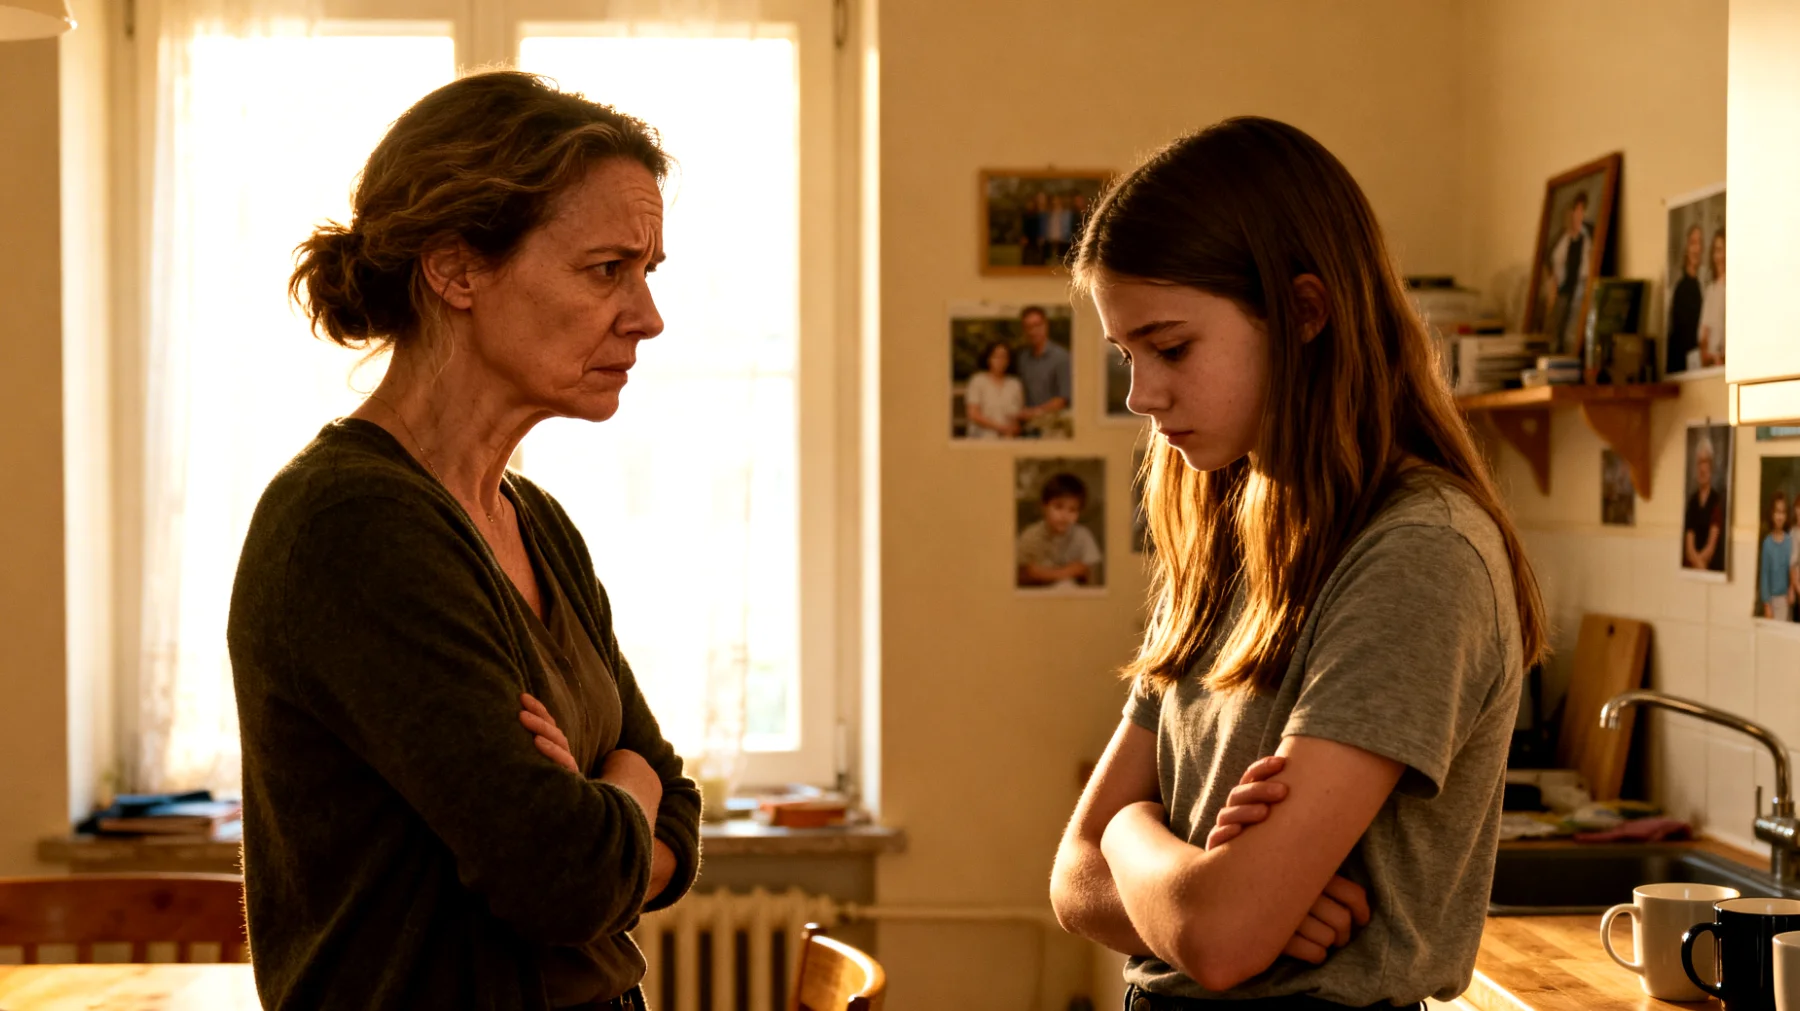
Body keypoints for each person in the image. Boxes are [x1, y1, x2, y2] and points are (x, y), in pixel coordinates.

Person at [229, 72, 702, 1011]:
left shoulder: (537, 522)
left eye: (648, 272)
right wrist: (628, 788)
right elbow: (562, 877)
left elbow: (677, 807)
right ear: (455, 271)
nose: (647, 316)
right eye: (607, 269)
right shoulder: (351, 524)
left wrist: (616, 795)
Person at [1048, 117, 1544, 1009]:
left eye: (1171, 346)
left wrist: (1129, 831)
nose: (1140, 394)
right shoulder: (1226, 531)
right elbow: (1072, 880)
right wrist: (1178, 874)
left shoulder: (1419, 551)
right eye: (1127, 354)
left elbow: (1220, 937)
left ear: (1306, 312)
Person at [1017, 472, 1103, 587]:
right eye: (1058, 506)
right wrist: (1069, 571)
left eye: (1072, 510)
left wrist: (1043, 573)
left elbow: (1088, 572)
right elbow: (1023, 573)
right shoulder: (1030, 536)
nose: (1065, 515)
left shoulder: (1083, 536)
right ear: (1044, 506)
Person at [1542, 191, 1593, 355]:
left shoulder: (1588, 237)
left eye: (1581, 211)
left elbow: (1588, 266)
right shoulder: (1562, 238)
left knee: (1572, 328)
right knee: (1557, 326)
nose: (1578, 215)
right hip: (1562, 289)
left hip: (1579, 290)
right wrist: (1553, 284)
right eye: (1576, 210)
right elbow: (1551, 261)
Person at [1015, 305, 1072, 435]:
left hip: (1053, 428)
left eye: (1037, 325)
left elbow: (1063, 399)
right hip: (1027, 429)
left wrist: (1034, 413)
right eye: (1028, 327)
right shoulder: (1023, 358)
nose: (1032, 331)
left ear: (1046, 325)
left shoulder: (1061, 357)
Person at [964, 340, 1025, 438]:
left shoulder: (1015, 384)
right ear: (989, 359)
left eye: (1004, 357)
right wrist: (1001, 428)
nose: (1000, 361)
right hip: (981, 438)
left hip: (1008, 440)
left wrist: (1014, 429)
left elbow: (1017, 416)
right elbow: (973, 414)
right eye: (996, 356)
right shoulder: (978, 381)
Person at [1684, 437, 1726, 572]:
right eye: (1699, 463)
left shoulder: (1716, 501)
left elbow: (1710, 549)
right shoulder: (1692, 502)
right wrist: (1698, 565)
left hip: (1711, 569)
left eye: (1705, 462)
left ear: (1711, 466)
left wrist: (1701, 567)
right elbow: (1689, 549)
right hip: (1694, 568)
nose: (1702, 468)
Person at [1667, 223, 1704, 374]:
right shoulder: (1681, 288)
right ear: (1687, 248)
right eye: (1693, 243)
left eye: (1699, 243)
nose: (1696, 249)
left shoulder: (1699, 285)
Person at [1699, 227, 1727, 367]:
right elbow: (1704, 334)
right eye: (1715, 251)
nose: (1717, 257)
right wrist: (1709, 357)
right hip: (1712, 364)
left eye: (1720, 250)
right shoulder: (1711, 291)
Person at [1762, 492, 1790, 621]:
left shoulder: (1790, 541)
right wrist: (1766, 604)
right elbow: (1764, 576)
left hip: (1786, 600)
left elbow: (1792, 569)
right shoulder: (1767, 543)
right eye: (1777, 512)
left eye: (1783, 513)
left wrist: (1791, 589)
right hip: (1771, 600)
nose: (1780, 517)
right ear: (1772, 514)